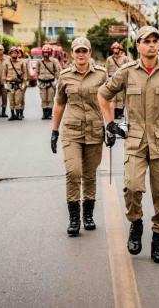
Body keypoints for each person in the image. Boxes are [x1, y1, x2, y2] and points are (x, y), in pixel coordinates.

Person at [98, 26, 159, 264]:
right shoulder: (127, 72)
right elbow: (103, 94)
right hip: (136, 140)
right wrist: (109, 124)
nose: (151, 45)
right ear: (138, 45)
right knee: (132, 187)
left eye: (155, 41)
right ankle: (136, 222)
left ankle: (158, 238)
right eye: (146, 41)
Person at [51, 37, 108, 236]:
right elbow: (59, 104)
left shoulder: (101, 74)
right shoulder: (65, 75)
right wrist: (54, 131)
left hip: (95, 130)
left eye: (84, 51)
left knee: (90, 174)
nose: (81, 54)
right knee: (73, 172)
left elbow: (108, 102)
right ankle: (74, 219)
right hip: (72, 131)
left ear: (90, 53)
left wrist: (109, 127)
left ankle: (88, 215)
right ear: (73, 53)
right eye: (77, 51)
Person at [3, 46, 28, 121]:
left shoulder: (21, 62)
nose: (14, 54)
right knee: (11, 100)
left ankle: (18, 115)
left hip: (18, 84)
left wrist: (24, 83)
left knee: (18, 100)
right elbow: (4, 73)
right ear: (10, 54)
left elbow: (25, 74)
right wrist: (5, 83)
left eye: (15, 53)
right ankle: (12, 114)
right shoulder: (6, 62)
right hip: (10, 83)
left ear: (18, 54)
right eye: (12, 53)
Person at [36, 44, 61, 120]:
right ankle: (44, 114)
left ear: (50, 52)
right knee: (43, 98)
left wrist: (58, 81)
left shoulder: (54, 61)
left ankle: (49, 114)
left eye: (47, 52)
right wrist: (37, 80)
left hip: (51, 82)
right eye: (44, 52)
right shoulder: (39, 62)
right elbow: (37, 72)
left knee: (50, 98)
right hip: (42, 82)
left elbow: (57, 71)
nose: (45, 54)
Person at [106, 42, 129, 119]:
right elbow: (106, 70)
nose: (115, 50)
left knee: (121, 97)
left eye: (117, 48)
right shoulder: (109, 59)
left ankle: (120, 112)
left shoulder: (125, 58)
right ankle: (113, 113)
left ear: (120, 49)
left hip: (121, 80)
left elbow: (128, 69)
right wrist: (107, 80)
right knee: (112, 97)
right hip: (111, 79)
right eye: (114, 48)